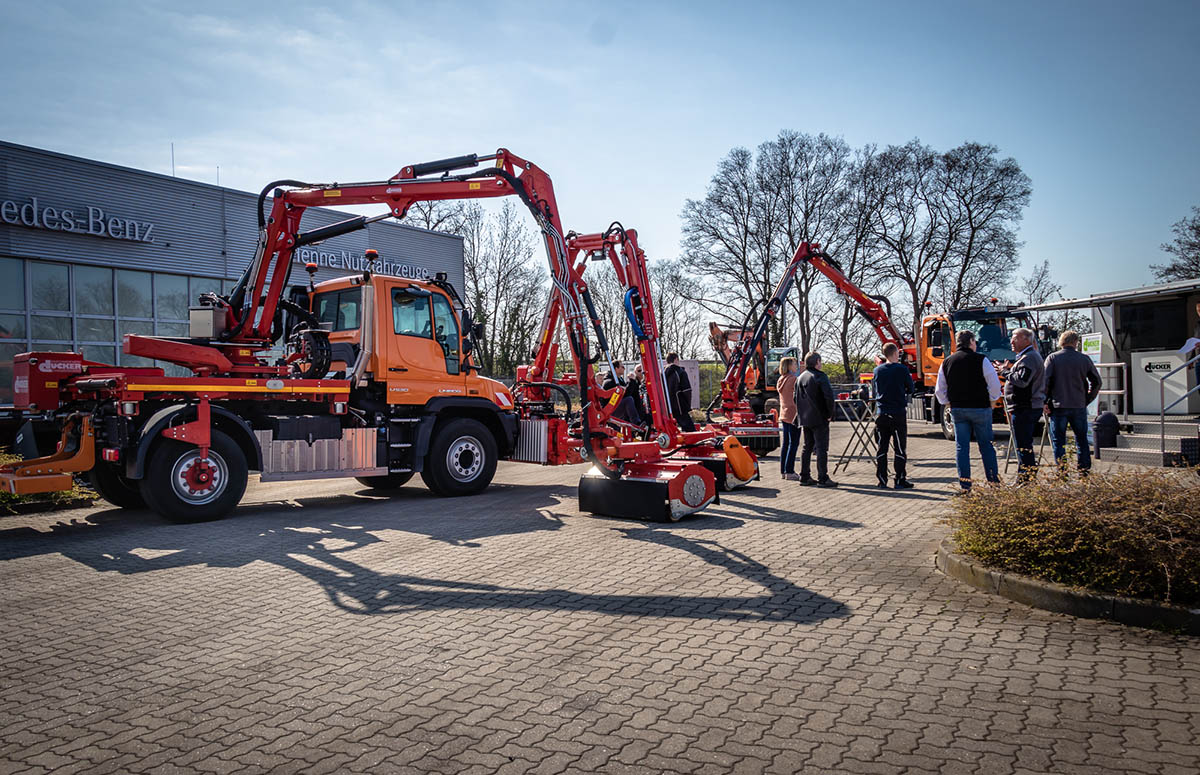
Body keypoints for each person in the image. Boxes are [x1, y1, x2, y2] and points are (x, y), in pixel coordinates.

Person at [934, 330, 1003, 490]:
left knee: (962, 448)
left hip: (958, 409)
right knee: (986, 446)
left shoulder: (947, 362)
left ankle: (965, 485)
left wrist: (948, 403)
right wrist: (993, 401)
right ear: (971, 341)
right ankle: (993, 482)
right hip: (980, 408)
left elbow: (939, 389)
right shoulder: (982, 360)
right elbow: (994, 384)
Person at [1044, 330, 1102, 473]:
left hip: (1058, 406)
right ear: (1075, 342)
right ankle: (1084, 469)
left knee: (1059, 441)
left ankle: (1062, 471)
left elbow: (1044, 382)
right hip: (1079, 405)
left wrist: (1044, 401)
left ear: (1061, 341)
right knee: (1081, 440)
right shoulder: (1084, 359)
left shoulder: (1052, 358)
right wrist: (1088, 399)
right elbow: (1097, 382)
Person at [1002, 327, 1046, 483]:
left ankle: (1025, 480)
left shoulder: (1029, 358)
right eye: (1011, 338)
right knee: (1022, 444)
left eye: (1015, 338)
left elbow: (1021, 381)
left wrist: (1005, 372)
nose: (1011, 341)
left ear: (1027, 340)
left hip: (1025, 408)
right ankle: (1026, 477)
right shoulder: (1025, 357)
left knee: (1023, 446)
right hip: (1023, 407)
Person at [872, 342, 915, 489]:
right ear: (896, 353)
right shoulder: (902, 369)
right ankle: (900, 479)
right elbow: (911, 388)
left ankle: (882, 480)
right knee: (900, 448)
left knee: (882, 447)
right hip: (897, 412)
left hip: (882, 412)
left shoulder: (877, 370)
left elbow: (875, 390)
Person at [795, 351, 837, 488]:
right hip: (819, 417)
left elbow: (795, 398)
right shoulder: (820, 376)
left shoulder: (800, 378)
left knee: (807, 447)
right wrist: (830, 413)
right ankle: (823, 477)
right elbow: (829, 397)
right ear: (817, 362)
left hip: (805, 417)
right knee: (821, 448)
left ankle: (804, 476)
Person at [776, 356, 800, 481]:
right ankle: (789, 470)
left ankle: (783, 470)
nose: (796, 366)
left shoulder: (781, 379)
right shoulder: (794, 380)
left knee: (786, 444)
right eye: (795, 364)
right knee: (793, 443)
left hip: (784, 414)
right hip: (794, 414)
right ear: (789, 366)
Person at [664, 353, 696, 432]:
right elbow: (687, 390)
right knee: (690, 430)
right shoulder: (680, 371)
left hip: (666, 406)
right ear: (675, 359)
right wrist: (687, 405)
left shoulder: (662, 373)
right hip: (680, 405)